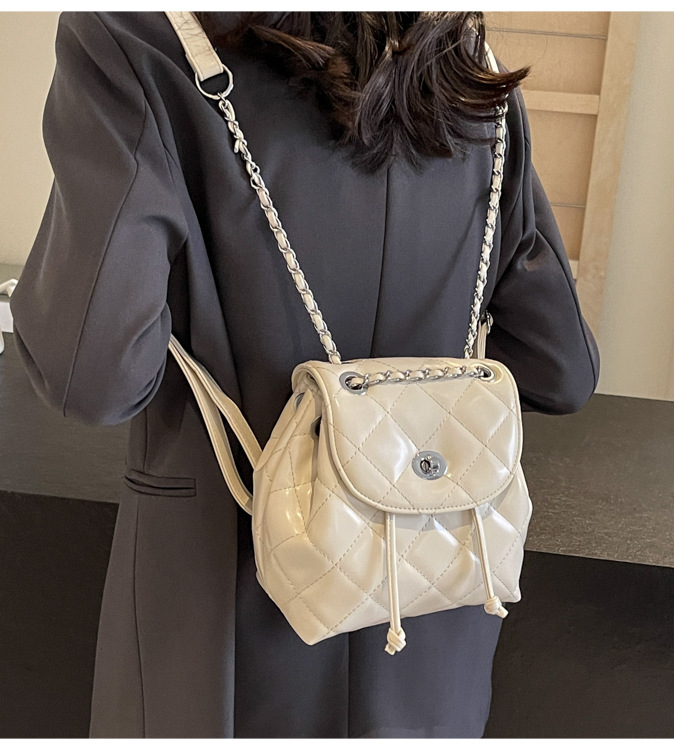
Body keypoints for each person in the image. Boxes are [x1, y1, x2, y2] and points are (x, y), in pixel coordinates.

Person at [10, 11, 600, 739]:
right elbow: (561, 369)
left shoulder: (136, 42)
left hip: (219, 624)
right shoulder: (467, 72)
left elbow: (93, 378)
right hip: (428, 616)